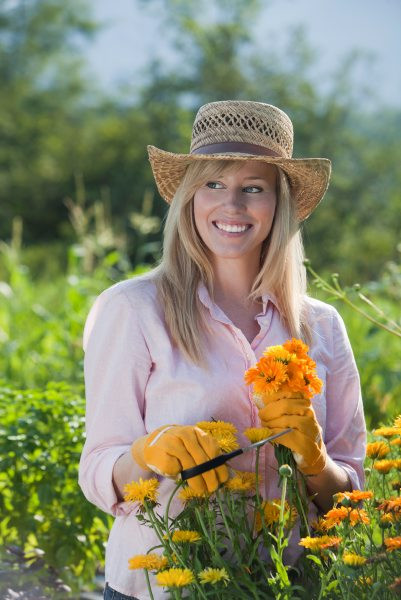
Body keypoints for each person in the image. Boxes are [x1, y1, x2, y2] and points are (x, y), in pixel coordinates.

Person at [78, 100, 366, 600]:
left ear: (279, 204)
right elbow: (98, 469)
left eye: (253, 188)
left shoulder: (322, 325)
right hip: (162, 585)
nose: (231, 205)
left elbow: (353, 498)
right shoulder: (133, 308)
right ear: (190, 197)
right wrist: (148, 454)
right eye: (213, 184)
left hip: (287, 584)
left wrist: (317, 460)